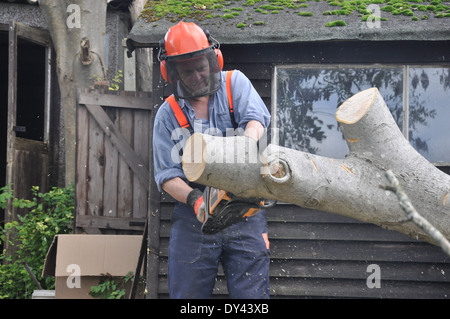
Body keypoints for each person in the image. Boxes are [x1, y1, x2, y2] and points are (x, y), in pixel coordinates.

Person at [153, 21, 271, 299]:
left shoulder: (235, 84)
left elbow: (256, 120)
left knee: (252, 299)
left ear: (213, 60)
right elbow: (166, 176)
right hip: (194, 216)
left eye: (200, 68)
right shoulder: (167, 114)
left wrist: (243, 147)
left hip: (245, 210)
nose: (196, 76)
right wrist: (196, 200)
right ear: (172, 72)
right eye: (187, 71)